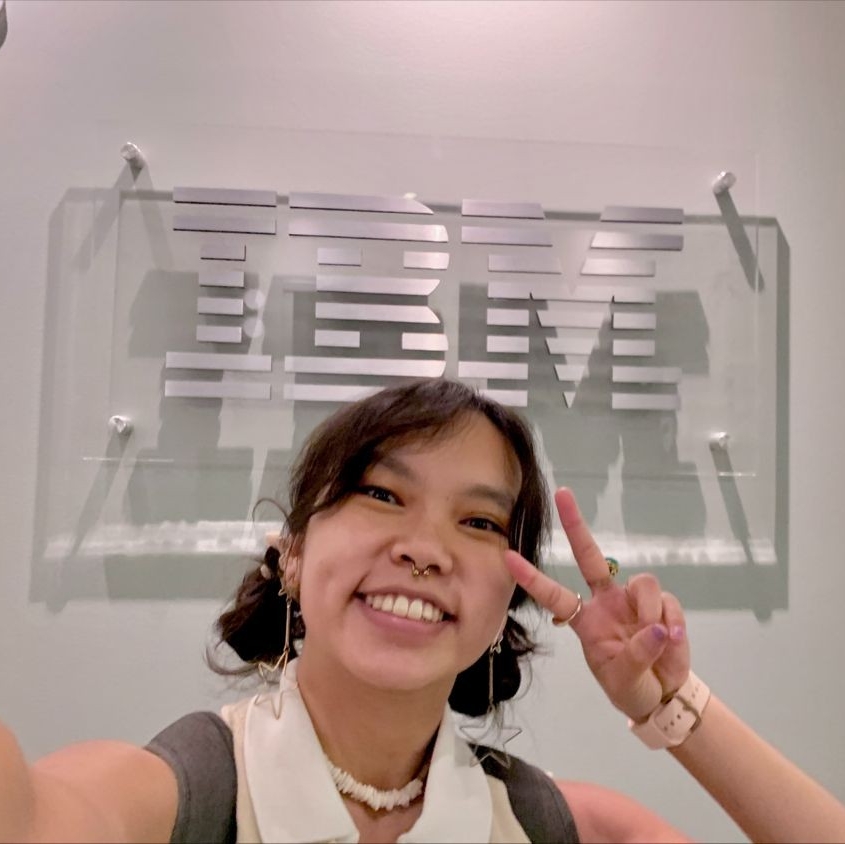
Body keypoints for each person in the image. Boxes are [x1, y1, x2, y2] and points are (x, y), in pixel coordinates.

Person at [1, 378, 844, 843]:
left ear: (505, 603)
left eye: (478, 522)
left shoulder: (546, 823)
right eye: (380, 494)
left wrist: (671, 708)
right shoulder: (179, 794)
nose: (426, 546)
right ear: (290, 554)